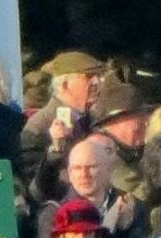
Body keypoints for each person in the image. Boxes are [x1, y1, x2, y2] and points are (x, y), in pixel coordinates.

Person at [20, 50, 104, 180]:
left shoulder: (97, 121)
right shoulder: (38, 127)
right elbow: (34, 182)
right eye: (89, 76)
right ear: (65, 85)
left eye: (99, 76)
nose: (97, 82)